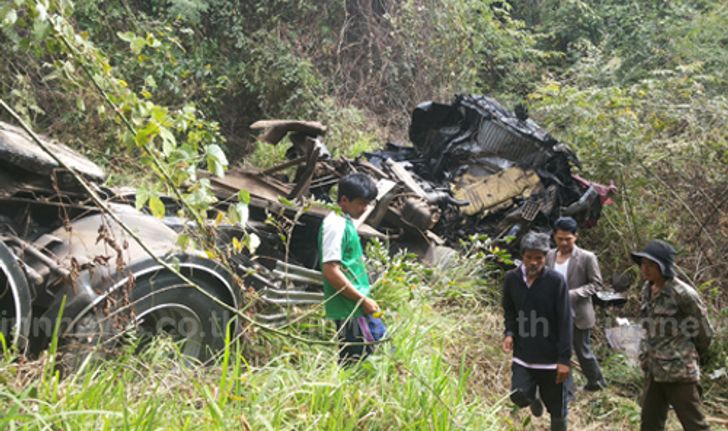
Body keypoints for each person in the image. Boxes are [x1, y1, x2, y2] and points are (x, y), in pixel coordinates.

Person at [632, 239, 714, 431]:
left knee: (694, 425)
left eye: (651, 265)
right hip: (654, 369)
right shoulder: (647, 289)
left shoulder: (683, 294)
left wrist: (687, 355)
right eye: (643, 264)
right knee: (650, 423)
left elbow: (704, 333)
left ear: (664, 267)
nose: (645, 269)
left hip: (679, 372)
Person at [503, 231, 572, 431]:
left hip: (550, 357)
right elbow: (509, 310)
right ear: (522, 256)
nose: (534, 262)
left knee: (557, 410)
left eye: (539, 258)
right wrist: (509, 333)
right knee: (518, 394)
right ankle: (533, 396)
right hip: (523, 354)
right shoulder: (512, 279)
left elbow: (565, 321)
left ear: (545, 257)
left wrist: (564, 359)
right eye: (529, 257)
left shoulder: (556, 281)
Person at [319, 172, 380, 364]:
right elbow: (330, 270)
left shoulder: (344, 222)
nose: (365, 208)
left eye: (368, 203)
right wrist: (362, 300)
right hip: (349, 307)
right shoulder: (335, 226)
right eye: (361, 203)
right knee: (357, 360)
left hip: (356, 304)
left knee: (371, 350)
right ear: (344, 200)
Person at [546, 216, 607, 395]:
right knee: (559, 352)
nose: (564, 242)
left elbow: (596, 284)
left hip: (578, 313)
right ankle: (566, 389)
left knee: (583, 351)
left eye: (568, 239)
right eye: (560, 238)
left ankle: (596, 382)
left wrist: (571, 295)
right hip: (555, 314)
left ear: (576, 237)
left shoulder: (587, 257)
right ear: (554, 237)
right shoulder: (549, 255)